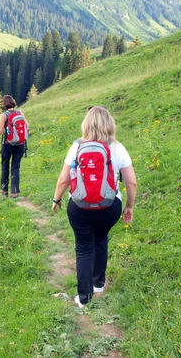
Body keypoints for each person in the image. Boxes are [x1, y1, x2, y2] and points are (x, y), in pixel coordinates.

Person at [51, 106, 137, 308]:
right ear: (110, 123)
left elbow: (64, 180)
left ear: (86, 124)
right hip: (109, 206)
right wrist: (129, 206)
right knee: (101, 240)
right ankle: (98, 284)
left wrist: (56, 200)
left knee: (83, 248)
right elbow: (131, 182)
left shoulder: (77, 146)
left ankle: (84, 299)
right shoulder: (118, 147)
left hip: (80, 207)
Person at [0, 95, 28, 198]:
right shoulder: (20, 113)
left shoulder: (4, 115)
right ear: (13, 102)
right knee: (15, 167)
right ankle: (15, 192)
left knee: (5, 166)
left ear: (5, 104)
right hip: (20, 144)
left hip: (8, 144)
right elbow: (27, 125)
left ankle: (4, 191)